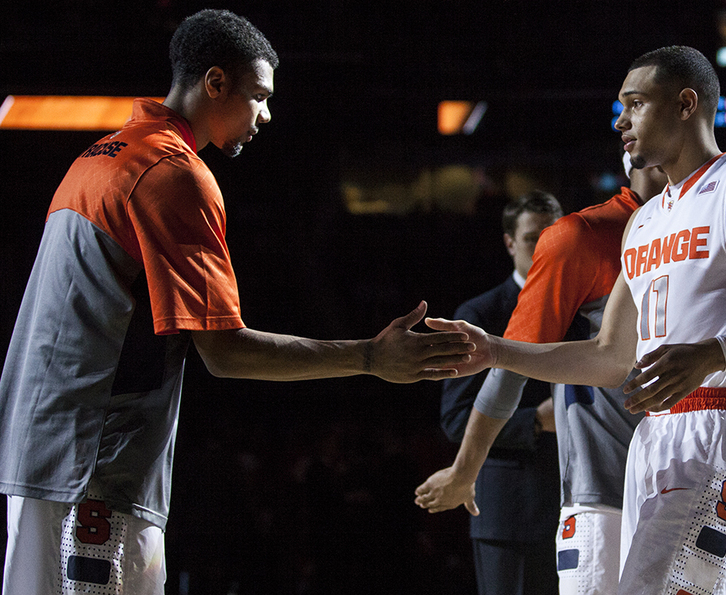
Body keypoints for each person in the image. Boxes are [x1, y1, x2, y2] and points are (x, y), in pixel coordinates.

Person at [0, 10, 474, 594]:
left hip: (39, 450)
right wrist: (371, 357)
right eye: (258, 96)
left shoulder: (99, 156)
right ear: (215, 82)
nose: (266, 114)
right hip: (97, 461)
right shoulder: (174, 175)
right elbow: (225, 352)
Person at [416, 45, 726, 595]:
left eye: (635, 104)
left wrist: (714, 353)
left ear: (685, 104)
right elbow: (608, 358)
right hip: (654, 437)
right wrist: (498, 351)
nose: (620, 120)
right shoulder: (643, 222)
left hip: (725, 422)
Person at [445, 157, 666, 595]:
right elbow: (493, 389)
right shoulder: (584, 239)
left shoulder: (717, 213)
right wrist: (464, 470)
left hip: (690, 464)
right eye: (531, 238)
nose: (538, 245)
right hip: (570, 492)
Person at [440, 190, 562, 595]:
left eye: (552, 234)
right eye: (532, 237)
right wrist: (538, 421)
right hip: (510, 510)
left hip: (578, 504)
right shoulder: (480, 315)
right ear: (510, 242)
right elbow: (455, 420)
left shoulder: (584, 309)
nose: (544, 245)